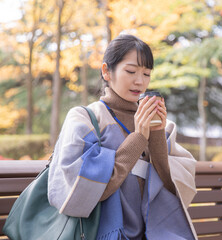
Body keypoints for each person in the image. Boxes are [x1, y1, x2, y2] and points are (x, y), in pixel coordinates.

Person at [48, 34, 197, 240]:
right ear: (106, 71)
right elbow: (81, 192)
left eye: (146, 73)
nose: (139, 81)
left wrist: (155, 136)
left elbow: (177, 191)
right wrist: (138, 137)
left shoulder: (162, 126)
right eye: (131, 71)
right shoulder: (85, 119)